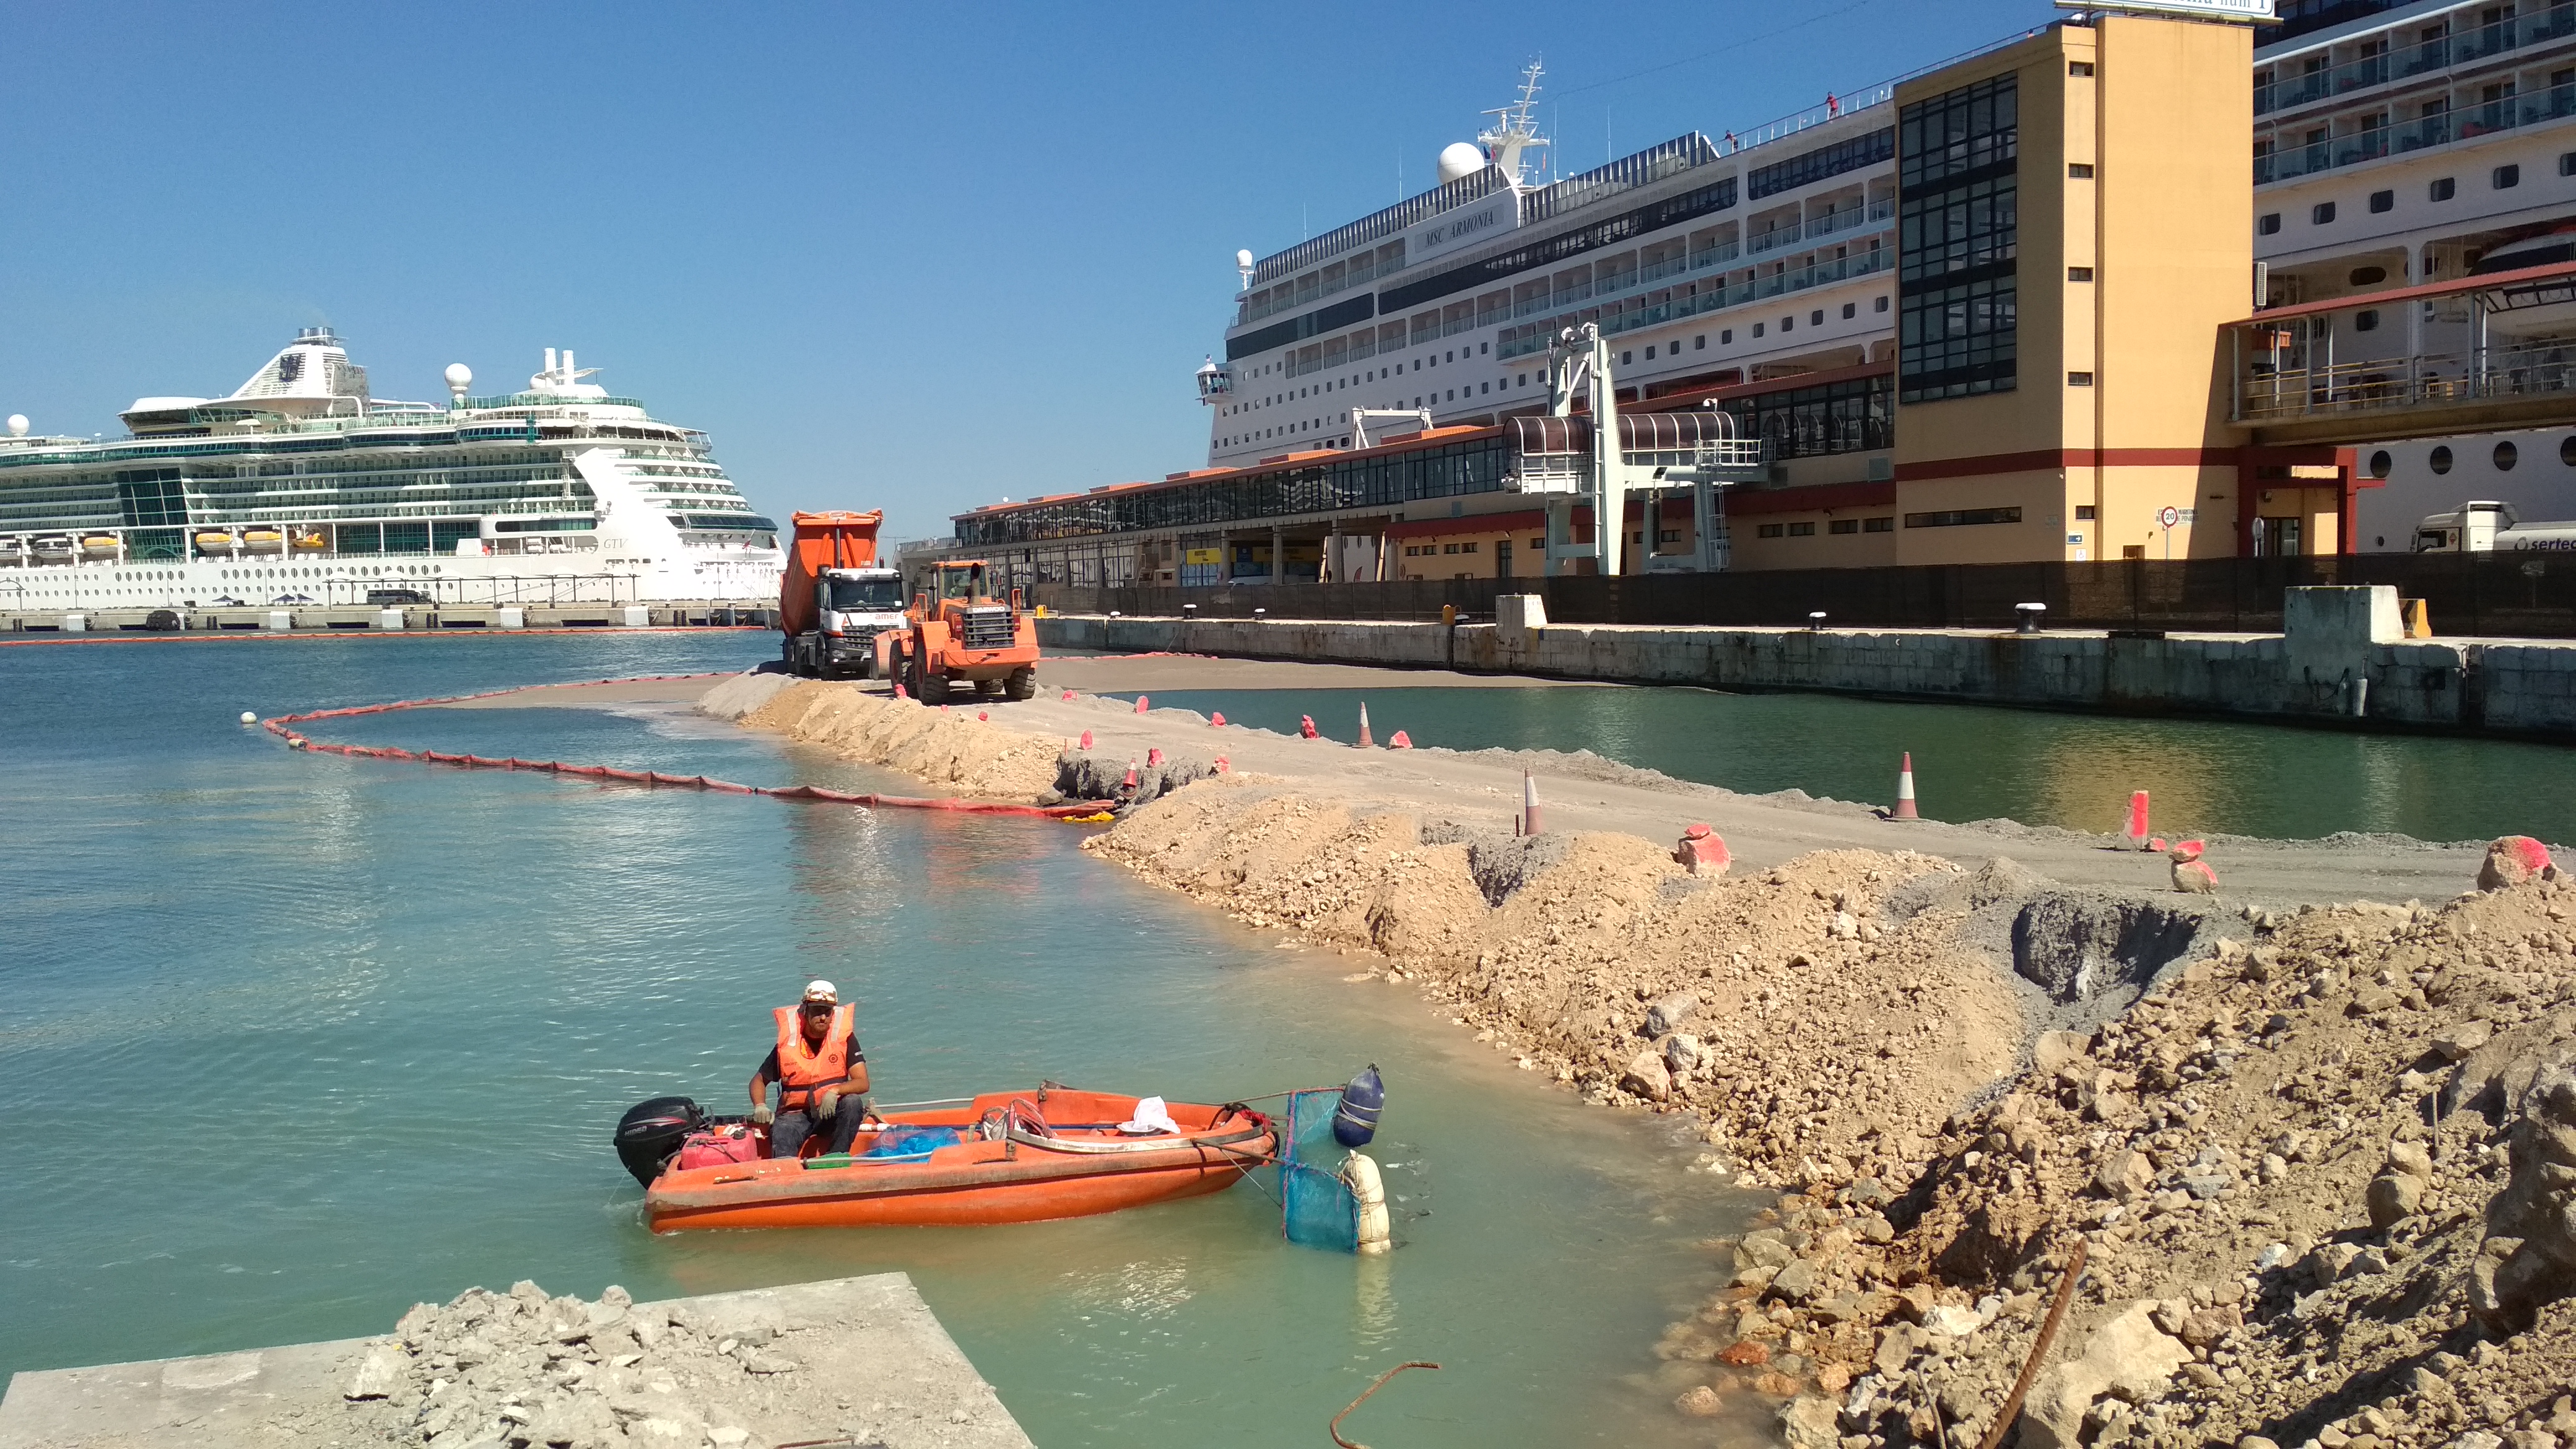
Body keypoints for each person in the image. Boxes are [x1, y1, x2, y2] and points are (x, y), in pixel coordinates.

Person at [747, 980, 875, 1157]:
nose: (822, 1017)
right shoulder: (788, 1045)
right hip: (794, 1116)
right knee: (783, 1132)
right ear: (805, 1011)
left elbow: (863, 1082)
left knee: (852, 1103)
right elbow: (758, 1081)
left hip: (829, 1113)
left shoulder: (845, 1039)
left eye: (827, 1012)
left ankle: (836, 1156)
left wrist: (834, 1091)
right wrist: (760, 1106)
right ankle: (788, 1173)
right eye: (817, 1011)